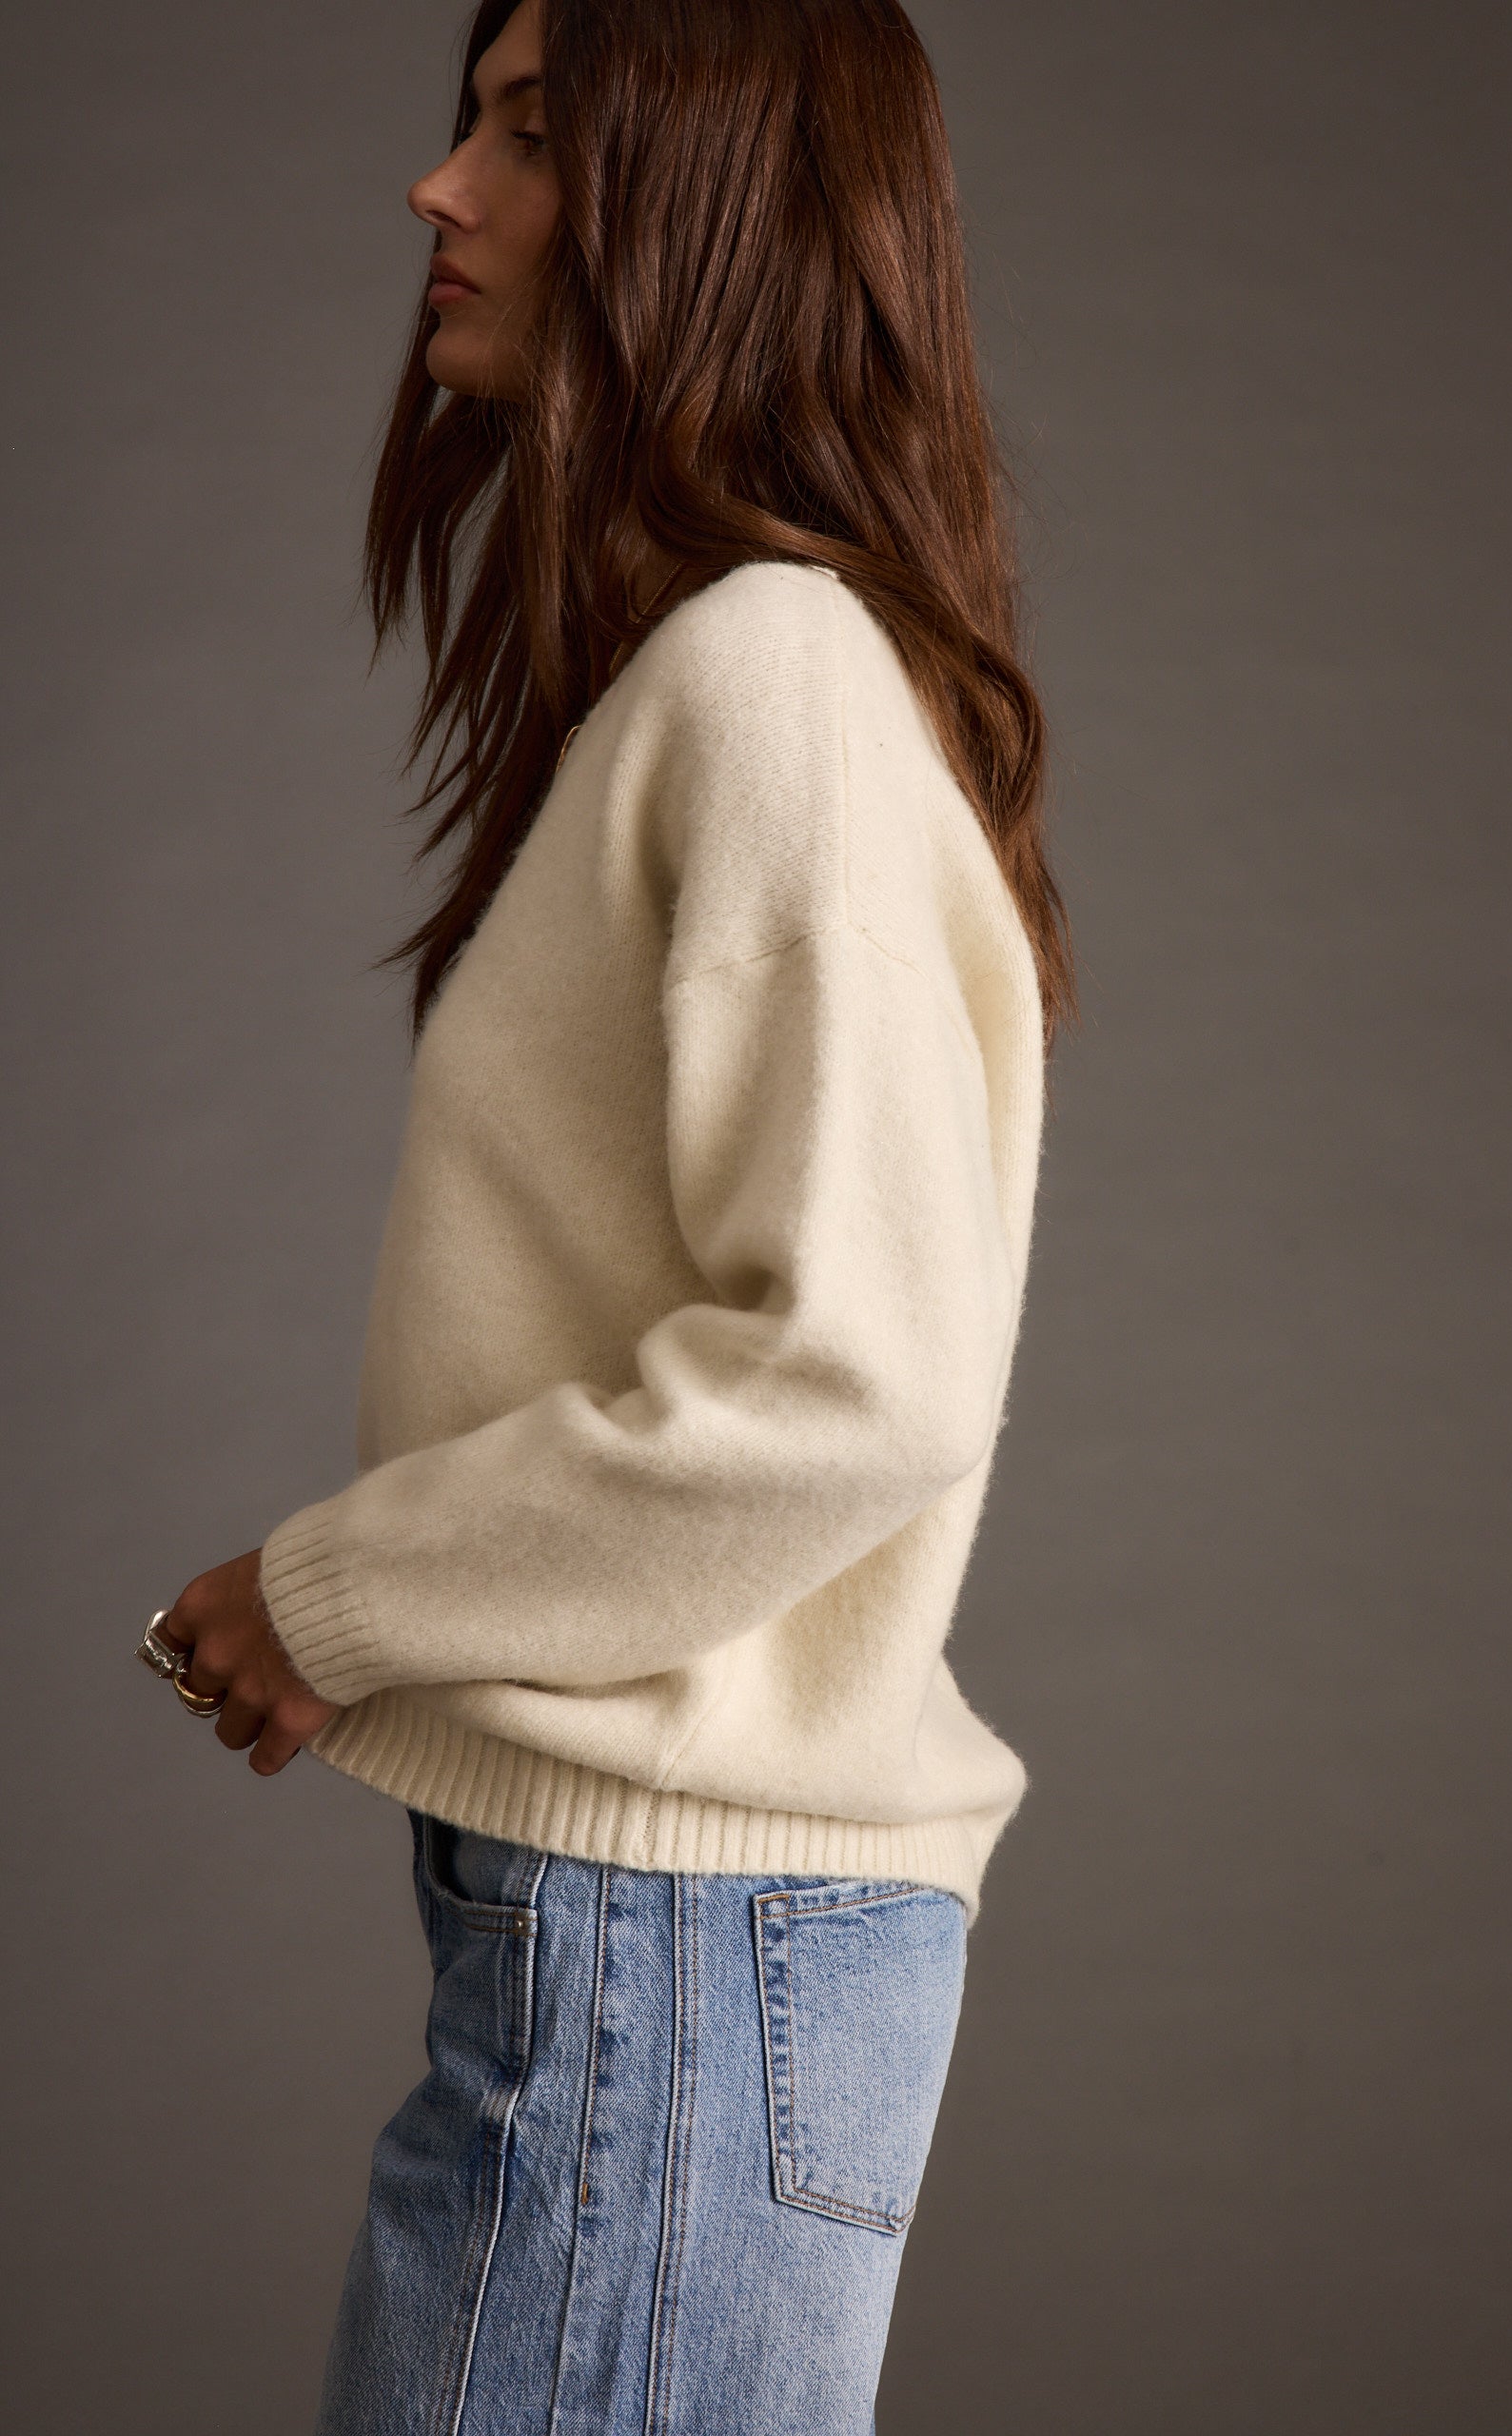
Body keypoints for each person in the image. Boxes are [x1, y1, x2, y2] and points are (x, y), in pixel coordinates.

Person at [137, 1, 1074, 2427]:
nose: (438, 190)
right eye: (468, 122)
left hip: (667, 1952)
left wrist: (336, 1592)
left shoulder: (773, 673)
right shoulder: (728, 673)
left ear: (709, 208)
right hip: (662, 1951)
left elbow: (855, 1375)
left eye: (529, 136)